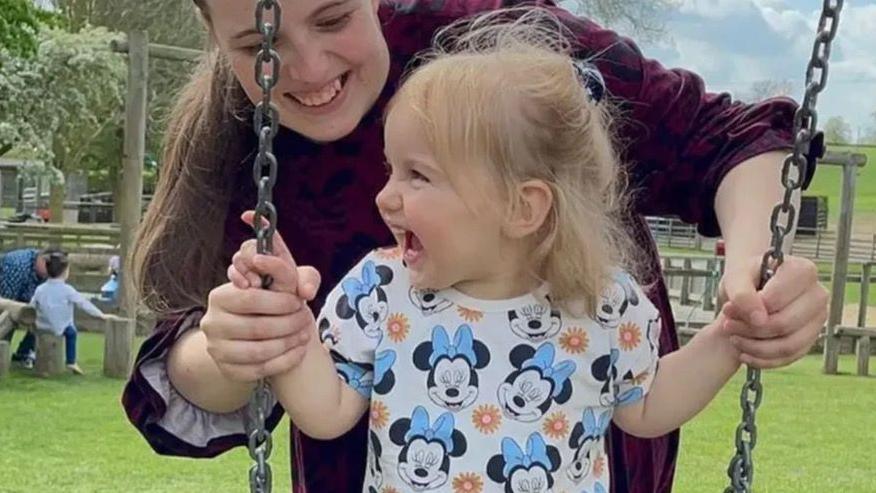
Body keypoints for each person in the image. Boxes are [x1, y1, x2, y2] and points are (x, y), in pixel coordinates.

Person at [123, 0, 829, 491]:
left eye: (334, 17)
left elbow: (646, 400)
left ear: (527, 204)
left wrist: (745, 310)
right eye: (258, 48)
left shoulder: (517, 70)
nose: (305, 67)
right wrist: (273, 336)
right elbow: (323, 403)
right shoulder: (378, 288)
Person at [29, 249, 107, 375]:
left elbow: (32, 305)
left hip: (42, 325)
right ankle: (71, 361)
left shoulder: (40, 289)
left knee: (35, 336)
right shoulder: (67, 290)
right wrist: (100, 314)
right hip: (61, 326)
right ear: (65, 272)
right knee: (72, 333)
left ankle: (33, 355)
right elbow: (83, 304)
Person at [0, 247, 49, 369]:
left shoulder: (52, 271)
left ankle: (24, 353)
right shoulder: (17, 265)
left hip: (27, 299)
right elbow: (7, 297)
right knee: (9, 316)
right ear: (42, 260)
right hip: (8, 294)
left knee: (46, 316)